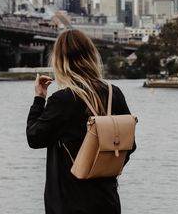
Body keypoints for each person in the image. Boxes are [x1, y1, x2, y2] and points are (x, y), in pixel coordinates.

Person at [26, 29, 136, 214]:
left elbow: (34, 138)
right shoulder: (113, 93)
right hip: (107, 202)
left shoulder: (63, 100)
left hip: (69, 204)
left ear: (60, 61)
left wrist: (39, 98)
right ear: (91, 56)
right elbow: (129, 145)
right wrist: (102, 168)